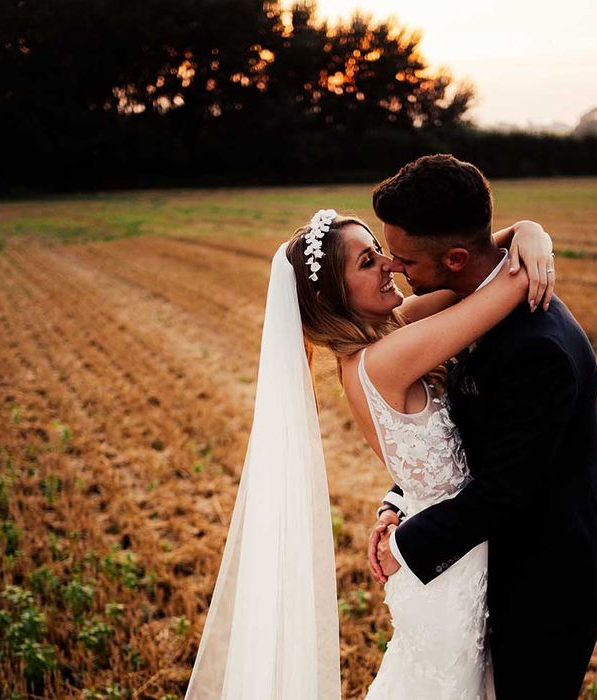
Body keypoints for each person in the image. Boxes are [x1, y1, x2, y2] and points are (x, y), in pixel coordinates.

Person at [185, 177, 555, 698]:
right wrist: (535, 239)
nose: (391, 264)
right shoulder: (385, 361)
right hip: (446, 573)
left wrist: (528, 228)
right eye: (367, 262)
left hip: (446, 548)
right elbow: (506, 285)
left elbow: (472, 262)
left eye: (378, 250)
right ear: (337, 298)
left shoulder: (387, 338)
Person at [368, 154, 597, 699]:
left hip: (551, 572)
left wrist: (406, 545)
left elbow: (507, 490)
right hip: (501, 555)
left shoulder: (538, 348)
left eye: (405, 259)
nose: (394, 268)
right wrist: (401, 496)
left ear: (456, 257)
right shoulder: (476, 303)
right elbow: (463, 438)